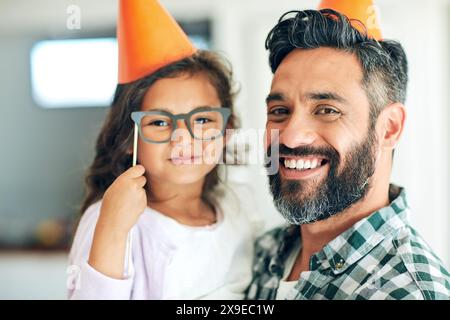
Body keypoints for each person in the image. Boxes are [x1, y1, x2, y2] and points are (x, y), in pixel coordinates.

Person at [246, 1, 450, 300]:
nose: (290, 136)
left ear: (389, 127)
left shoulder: (408, 292)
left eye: (326, 110)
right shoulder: (265, 250)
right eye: (279, 110)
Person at [68, 0, 261, 299]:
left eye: (202, 119)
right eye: (159, 122)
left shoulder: (237, 208)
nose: (182, 137)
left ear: (227, 130)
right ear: (129, 137)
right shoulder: (112, 219)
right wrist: (112, 230)